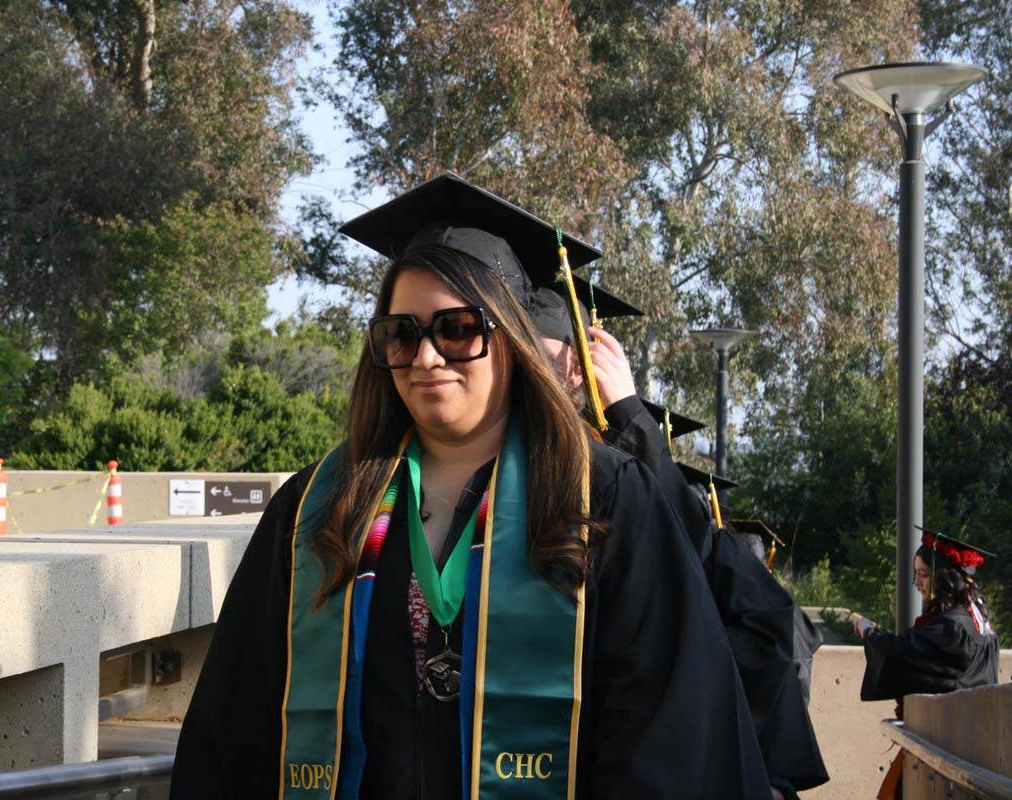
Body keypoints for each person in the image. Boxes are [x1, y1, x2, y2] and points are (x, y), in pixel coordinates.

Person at [171, 173, 773, 799]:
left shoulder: (603, 497)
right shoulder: (319, 506)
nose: (427, 357)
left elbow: (670, 732)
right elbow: (237, 726)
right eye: (401, 334)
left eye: (457, 329)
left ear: (510, 338)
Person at [525, 288, 828, 798]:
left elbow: (756, 619)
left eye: (537, 344)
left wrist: (757, 764)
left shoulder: (617, 479)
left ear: (577, 365)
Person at [854, 528, 999, 799]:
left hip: (950, 750)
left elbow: (902, 654)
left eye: (923, 574)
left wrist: (868, 631)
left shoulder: (953, 629)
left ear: (945, 579)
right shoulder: (980, 625)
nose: (917, 583)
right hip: (976, 748)